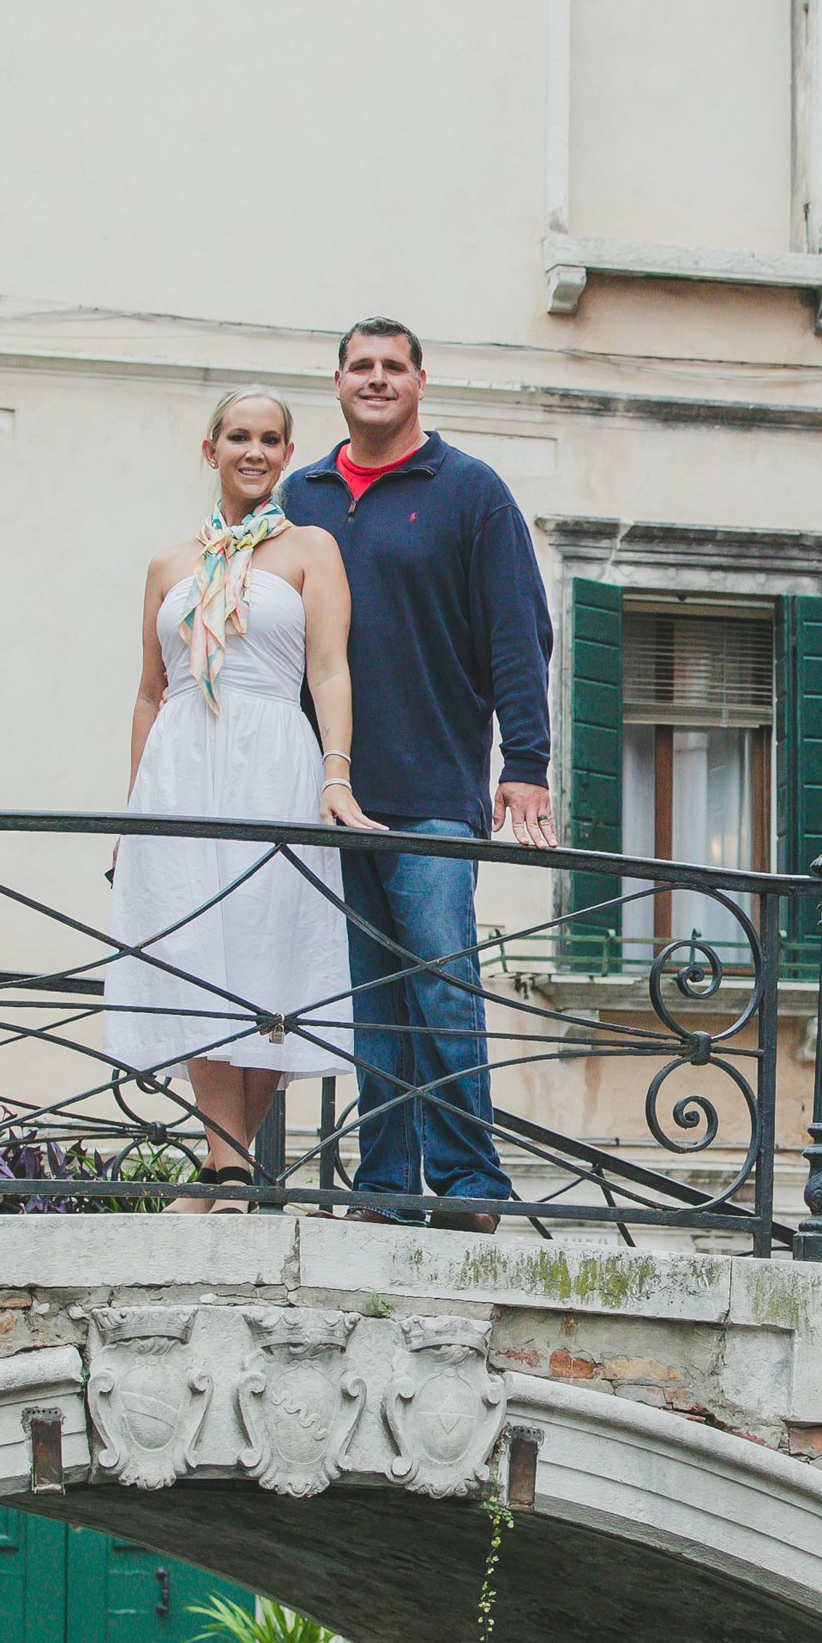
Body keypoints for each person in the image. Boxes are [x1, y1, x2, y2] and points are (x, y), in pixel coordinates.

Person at [281, 319, 553, 1230]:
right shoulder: (302, 495)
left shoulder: (470, 492)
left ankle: (471, 1186)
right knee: (373, 994)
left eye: (394, 367)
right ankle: (387, 1188)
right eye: (362, 366)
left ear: (421, 383)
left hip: (435, 786)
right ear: (338, 382)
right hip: (333, 790)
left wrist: (526, 762)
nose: (378, 379)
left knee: (441, 977)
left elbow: (520, 633)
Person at [104, 389, 382, 1208]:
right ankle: (231, 1166)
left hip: (272, 759)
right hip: (181, 765)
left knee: (266, 958)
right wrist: (129, 815)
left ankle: (226, 1166)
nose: (253, 451)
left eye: (269, 439)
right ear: (210, 449)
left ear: (286, 455)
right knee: (193, 954)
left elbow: (329, 670)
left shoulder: (310, 550)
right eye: (238, 437)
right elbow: (149, 695)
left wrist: (337, 773)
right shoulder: (167, 564)